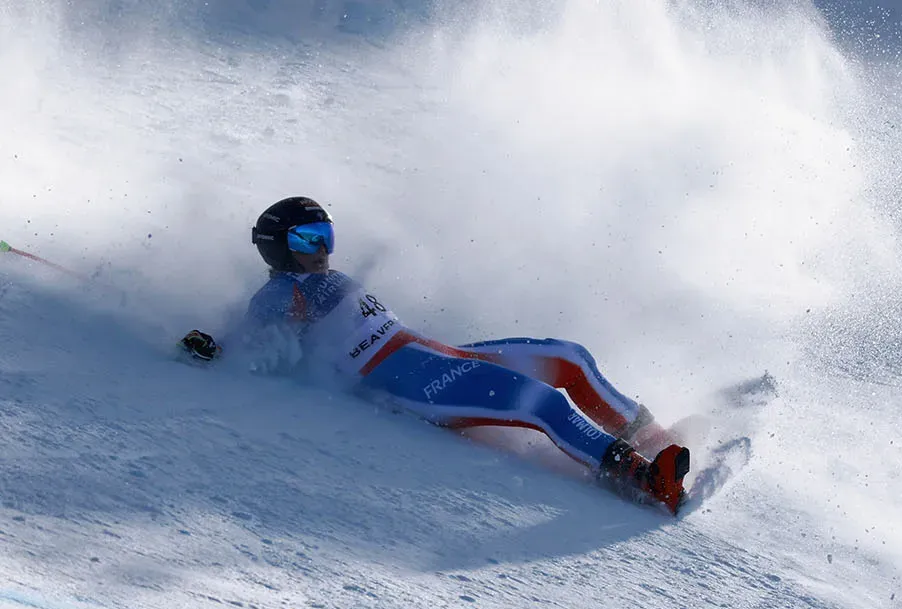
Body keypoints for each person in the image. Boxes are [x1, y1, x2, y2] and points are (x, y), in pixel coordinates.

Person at [179, 196, 689, 512]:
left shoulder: (326, 277)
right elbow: (250, 342)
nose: (323, 248)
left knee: (567, 356)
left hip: (439, 357)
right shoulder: (281, 292)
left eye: (327, 235)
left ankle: (649, 437)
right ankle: (641, 478)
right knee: (540, 401)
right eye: (309, 238)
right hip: (419, 385)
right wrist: (212, 347)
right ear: (280, 247)